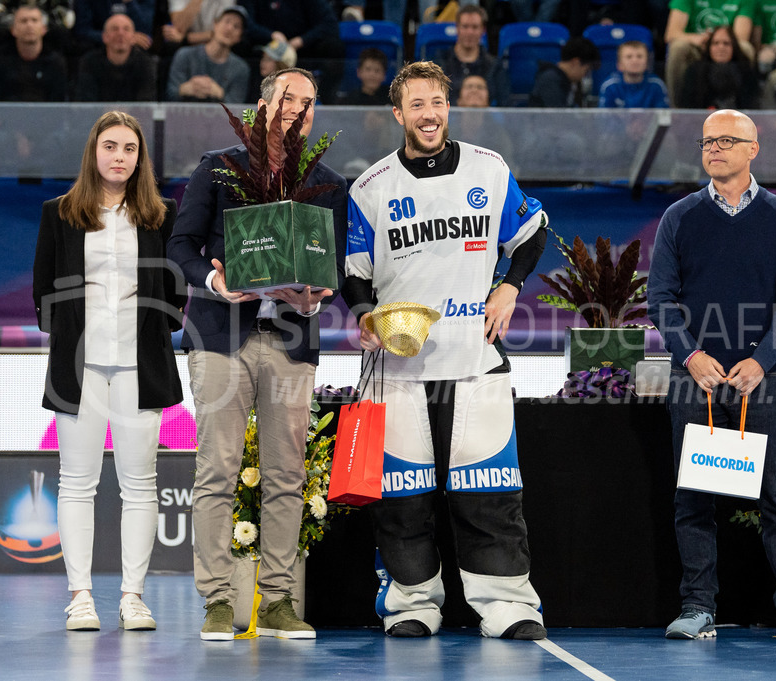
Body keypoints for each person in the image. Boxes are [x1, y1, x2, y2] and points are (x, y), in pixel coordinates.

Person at [342, 61, 548, 640]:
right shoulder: (371, 187)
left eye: (437, 103)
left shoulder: (491, 169)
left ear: (448, 107)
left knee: (489, 493)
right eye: (416, 105)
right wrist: (365, 317)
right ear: (398, 114)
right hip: (397, 368)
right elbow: (354, 277)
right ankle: (411, 604)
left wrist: (508, 286)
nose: (428, 114)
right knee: (402, 500)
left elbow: (531, 236)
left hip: (475, 358)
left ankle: (506, 605)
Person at [166, 67, 348, 641]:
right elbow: (180, 245)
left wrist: (315, 298)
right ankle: (218, 601)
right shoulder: (218, 166)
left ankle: (277, 602)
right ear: (263, 105)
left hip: (291, 342)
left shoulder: (331, 184)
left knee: (287, 476)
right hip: (222, 336)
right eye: (288, 98)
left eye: (310, 102)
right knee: (217, 469)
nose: (299, 108)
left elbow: (333, 270)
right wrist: (218, 285)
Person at [647, 109, 776, 642]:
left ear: (754, 149)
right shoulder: (679, 217)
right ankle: (698, 606)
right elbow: (661, 298)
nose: (715, 148)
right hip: (695, 380)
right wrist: (690, 356)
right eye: (708, 141)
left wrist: (762, 360)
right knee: (694, 497)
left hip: (762, 379)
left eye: (727, 140)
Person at [32, 110, 184, 632]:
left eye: (129, 149)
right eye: (110, 146)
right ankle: (80, 597)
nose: (119, 157)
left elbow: (174, 294)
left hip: (141, 366)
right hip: (79, 369)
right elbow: (43, 294)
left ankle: (133, 597)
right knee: (76, 483)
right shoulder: (59, 213)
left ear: (140, 158)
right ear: (93, 152)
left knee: (140, 484)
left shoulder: (159, 216)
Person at [664, 0, 755, 107]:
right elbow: (671, 34)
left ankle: (748, 108)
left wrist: (719, 41)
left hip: (728, 44)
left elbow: (741, 37)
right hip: (696, 45)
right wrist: (699, 39)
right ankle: (676, 109)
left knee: (746, 48)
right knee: (678, 47)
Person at [165, 5, 249, 102]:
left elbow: (237, 107)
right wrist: (186, 89)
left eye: (236, 26)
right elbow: (169, 95)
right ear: (215, 24)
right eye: (227, 21)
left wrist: (219, 93)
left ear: (239, 37)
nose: (229, 28)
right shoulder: (184, 55)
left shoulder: (240, 68)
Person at [0, 4, 68, 102]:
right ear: (13, 29)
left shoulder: (55, 62)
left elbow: (59, 103)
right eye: (24, 21)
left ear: (44, 29)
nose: (29, 25)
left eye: (34, 20)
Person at [75, 12, 158, 101]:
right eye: (115, 29)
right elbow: (86, 101)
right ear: (104, 37)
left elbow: (146, 103)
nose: (120, 33)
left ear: (133, 38)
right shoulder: (90, 62)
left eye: (126, 29)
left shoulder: (145, 64)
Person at [678, 25, 761, 110]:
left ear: (734, 47)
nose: (721, 48)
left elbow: (752, 106)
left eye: (726, 43)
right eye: (715, 43)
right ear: (709, 47)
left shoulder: (746, 72)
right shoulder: (694, 72)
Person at [431, 5, 501, 105]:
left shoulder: (494, 66)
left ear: (483, 30)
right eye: (465, 26)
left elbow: (503, 104)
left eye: (475, 27)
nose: (470, 32)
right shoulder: (439, 63)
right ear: (457, 28)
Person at [528, 36, 600, 108]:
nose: (584, 75)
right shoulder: (551, 80)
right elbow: (557, 116)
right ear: (576, 62)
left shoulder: (563, 80)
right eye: (586, 70)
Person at [598, 40, 670, 109]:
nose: (635, 61)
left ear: (647, 63)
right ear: (619, 64)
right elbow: (604, 118)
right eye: (629, 57)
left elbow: (663, 117)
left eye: (639, 56)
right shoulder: (610, 86)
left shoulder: (657, 85)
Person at [74, 0, 155, 51]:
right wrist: (113, 38)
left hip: (135, 49)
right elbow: (82, 30)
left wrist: (130, 3)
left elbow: (146, 31)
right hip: (98, 46)